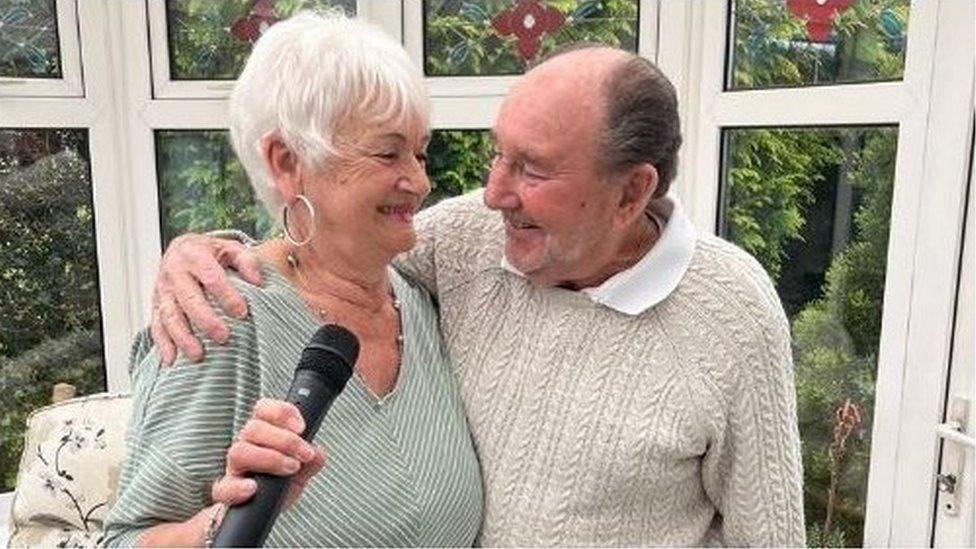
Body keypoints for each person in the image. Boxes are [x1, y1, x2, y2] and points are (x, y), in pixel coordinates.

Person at [150, 44, 806, 546]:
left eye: (533, 168)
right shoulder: (473, 240)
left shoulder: (730, 310)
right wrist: (201, 249)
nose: (493, 193)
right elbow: (337, 241)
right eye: (498, 155)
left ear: (631, 193)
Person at [102, 11, 483, 547]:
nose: (420, 181)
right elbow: (125, 539)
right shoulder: (222, 319)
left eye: (420, 151)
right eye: (387, 151)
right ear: (287, 162)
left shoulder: (421, 299)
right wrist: (224, 522)